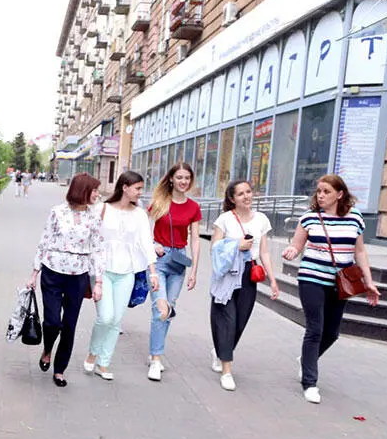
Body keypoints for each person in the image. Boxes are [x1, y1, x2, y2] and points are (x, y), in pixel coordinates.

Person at [281, 175, 380, 404]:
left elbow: (360, 252)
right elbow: (297, 245)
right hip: (311, 278)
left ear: (340, 194)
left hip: (340, 281)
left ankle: (307, 359)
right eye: (319, 191)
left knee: (332, 333)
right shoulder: (309, 218)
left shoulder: (354, 218)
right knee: (315, 329)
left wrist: (369, 281)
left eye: (326, 191)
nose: (321, 195)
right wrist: (291, 252)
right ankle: (310, 383)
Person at [28, 173, 105, 387]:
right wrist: (35, 272)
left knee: (69, 324)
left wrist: (98, 281)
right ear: (82, 190)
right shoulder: (57, 212)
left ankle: (60, 369)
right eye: (94, 190)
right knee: (53, 322)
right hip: (52, 272)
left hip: (78, 277)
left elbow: (98, 249)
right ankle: (47, 349)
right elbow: (44, 241)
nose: (98, 194)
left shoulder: (94, 217)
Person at [83, 171, 159, 380]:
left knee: (116, 320)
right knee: (105, 316)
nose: (140, 193)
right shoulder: (102, 209)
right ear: (124, 187)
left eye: (141, 188)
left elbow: (146, 242)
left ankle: (104, 364)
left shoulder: (139, 214)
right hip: (102, 271)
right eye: (137, 188)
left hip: (127, 272)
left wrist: (152, 272)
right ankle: (92, 354)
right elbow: (89, 236)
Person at [208, 180, 281, 391]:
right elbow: (214, 248)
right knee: (227, 320)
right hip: (228, 274)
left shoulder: (261, 220)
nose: (246, 196)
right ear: (232, 199)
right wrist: (235, 245)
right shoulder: (225, 220)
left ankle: (220, 350)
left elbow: (264, 251)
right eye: (240, 194)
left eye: (248, 192)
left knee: (240, 322)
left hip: (250, 273)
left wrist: (273, 279)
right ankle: (227, 371)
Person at [146, 161, 201, 382]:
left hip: (179, 262)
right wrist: (152, 244)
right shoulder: (159, 201)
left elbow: (195, 238)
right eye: (179, 177)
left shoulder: (193, 207)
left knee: (169, 309)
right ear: (171, 179)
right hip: (158, 259)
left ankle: (154, 353)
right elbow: (141, 229)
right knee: (160, 308)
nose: (183, 182)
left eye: (187, 178)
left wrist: (195, 269)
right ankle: (157, 359)